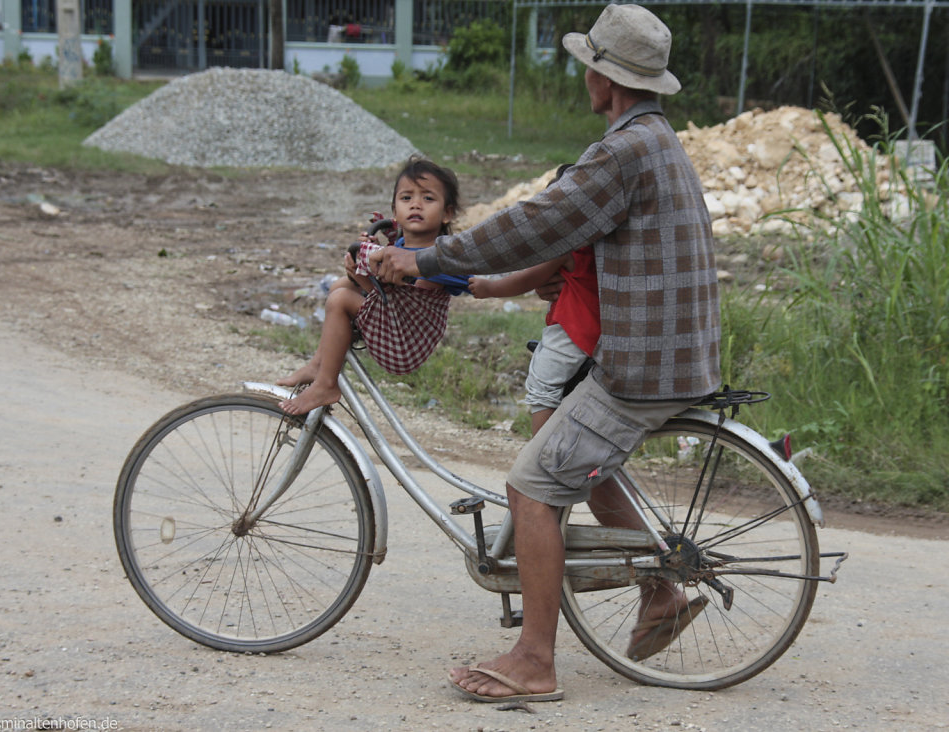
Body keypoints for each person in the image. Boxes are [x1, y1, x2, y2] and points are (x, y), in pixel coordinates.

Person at [370, 4, 721, 703]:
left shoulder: (619, 152)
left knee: (529, 489)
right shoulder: (657, 139)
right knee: (577, 465)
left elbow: (534, 225)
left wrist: (426, 260)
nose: (582, 75)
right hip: (679, 354)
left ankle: (535, 660)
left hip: (641, 366)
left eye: (587, 64)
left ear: (604, 77)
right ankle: (659, 595)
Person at [277, 156, 468, 415]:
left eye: (428, 198)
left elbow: (459, 278)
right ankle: (318, 364)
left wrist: (410, 265)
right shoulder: (399, 248)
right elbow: (384, 291)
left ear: (447, 213)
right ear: (394, 212)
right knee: (339, 286)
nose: (416, 205)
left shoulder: (441, 255)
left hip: (407, 341)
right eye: (406, 198)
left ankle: (326, 385)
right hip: (395, 323)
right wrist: (359, 272)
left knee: (340, 300)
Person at [467, 165, 599, 435]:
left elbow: (527, 278)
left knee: (542, 385)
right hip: (594, 332)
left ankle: (541, 457)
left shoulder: (566, 247)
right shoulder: (594, 245)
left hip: (572, 331)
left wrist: (490, 288)